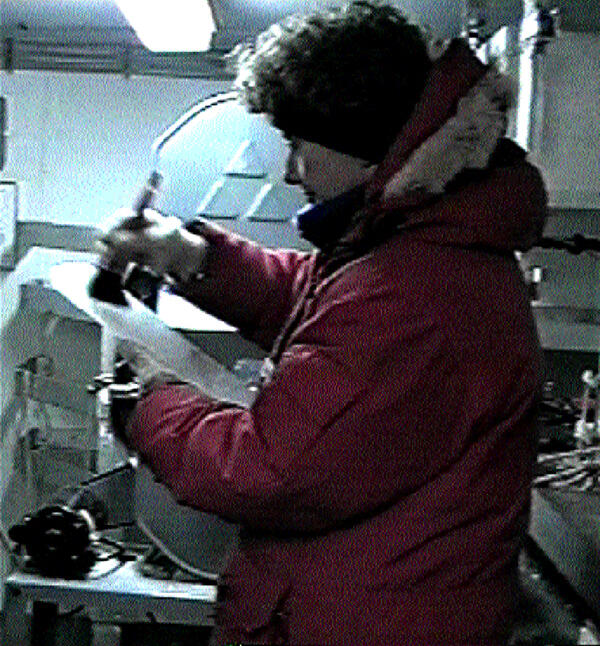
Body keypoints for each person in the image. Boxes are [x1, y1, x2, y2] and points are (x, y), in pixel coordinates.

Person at [99, 2, 548, 644]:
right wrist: (185, 253)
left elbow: (266, 472)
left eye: (300, 148)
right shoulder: (423, 249)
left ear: (368, 153)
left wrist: (149, 404)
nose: (290, 172)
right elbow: (327, 301)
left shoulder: (415, 294)